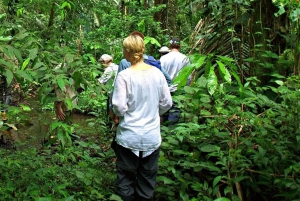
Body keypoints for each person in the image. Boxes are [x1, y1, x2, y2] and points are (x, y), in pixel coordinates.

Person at [111, 34, 172, 201]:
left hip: (129, 136)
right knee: (147, 180)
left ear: (129, 52)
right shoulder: (158, 74)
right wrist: (154, 113)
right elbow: (167, 103)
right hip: (151, 137)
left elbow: (118, 107)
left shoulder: (124, 76)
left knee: (125, 179)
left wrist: (123, 115)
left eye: (124, 49)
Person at [160, 38, 190, 125]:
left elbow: (160, 74)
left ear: (170, 46)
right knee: (175, 111)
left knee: (165, 109)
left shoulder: (164, 58)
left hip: (165, 88)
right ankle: (171, 132)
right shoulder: (185, 58)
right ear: (179, 46)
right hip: (179, 89)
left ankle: (164, 132)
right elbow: (188, 75)